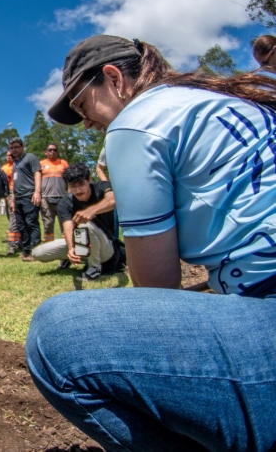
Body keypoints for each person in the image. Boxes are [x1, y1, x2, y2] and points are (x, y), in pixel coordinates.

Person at [27, 34, 276, 451]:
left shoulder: (134, 122)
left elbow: (157, 289)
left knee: (59, 334)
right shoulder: (226, 102)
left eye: (81, 105)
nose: (86, 121)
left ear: (113, 78)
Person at [31, 163, 115, 280]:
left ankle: (94, 267)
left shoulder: (102, 187)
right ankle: (70, 258)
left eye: (81, 184)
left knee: (84, 224)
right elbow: (68, 227)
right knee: (38, 253)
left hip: (106, 248)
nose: (78, 190)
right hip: (81, 244)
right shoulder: (65, 202)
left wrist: (92, 211)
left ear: (89, 180)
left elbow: (113, 200)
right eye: (73, 186)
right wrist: (71, 250)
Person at [8, 137, 41, 262]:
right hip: (18, 198)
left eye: (16, 147)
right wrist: (13, 199)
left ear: (22, 146)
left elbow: (37, 174)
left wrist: (37, 192)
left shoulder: (31, 157)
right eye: (11, 148)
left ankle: (35, 251)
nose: (14, 150)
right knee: (21, 226)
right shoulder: (15, 163)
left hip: (29, 196)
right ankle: (26, 251)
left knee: (31, 223)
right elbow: (14, 183)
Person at [38, 143, 68, 243]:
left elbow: (70, 179)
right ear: (46, 152)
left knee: (64, 221)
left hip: (62, 197)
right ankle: (48, 244)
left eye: (55, 150)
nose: (52, 152)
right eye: (50, 150)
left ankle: (67, 243)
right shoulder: (41, 164)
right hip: (46, 198)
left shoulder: (63, 163)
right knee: (48, 223)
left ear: (57, 152)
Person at [0, 151, 20, 255]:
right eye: (7, 155)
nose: (9, 157)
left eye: (11, 155)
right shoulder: (4, 167)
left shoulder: (17, 165)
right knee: (10, 217)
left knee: (14, 218)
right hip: (7, 193)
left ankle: (13, 243)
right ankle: (13, 238)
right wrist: (4, 195)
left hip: (16, 192)